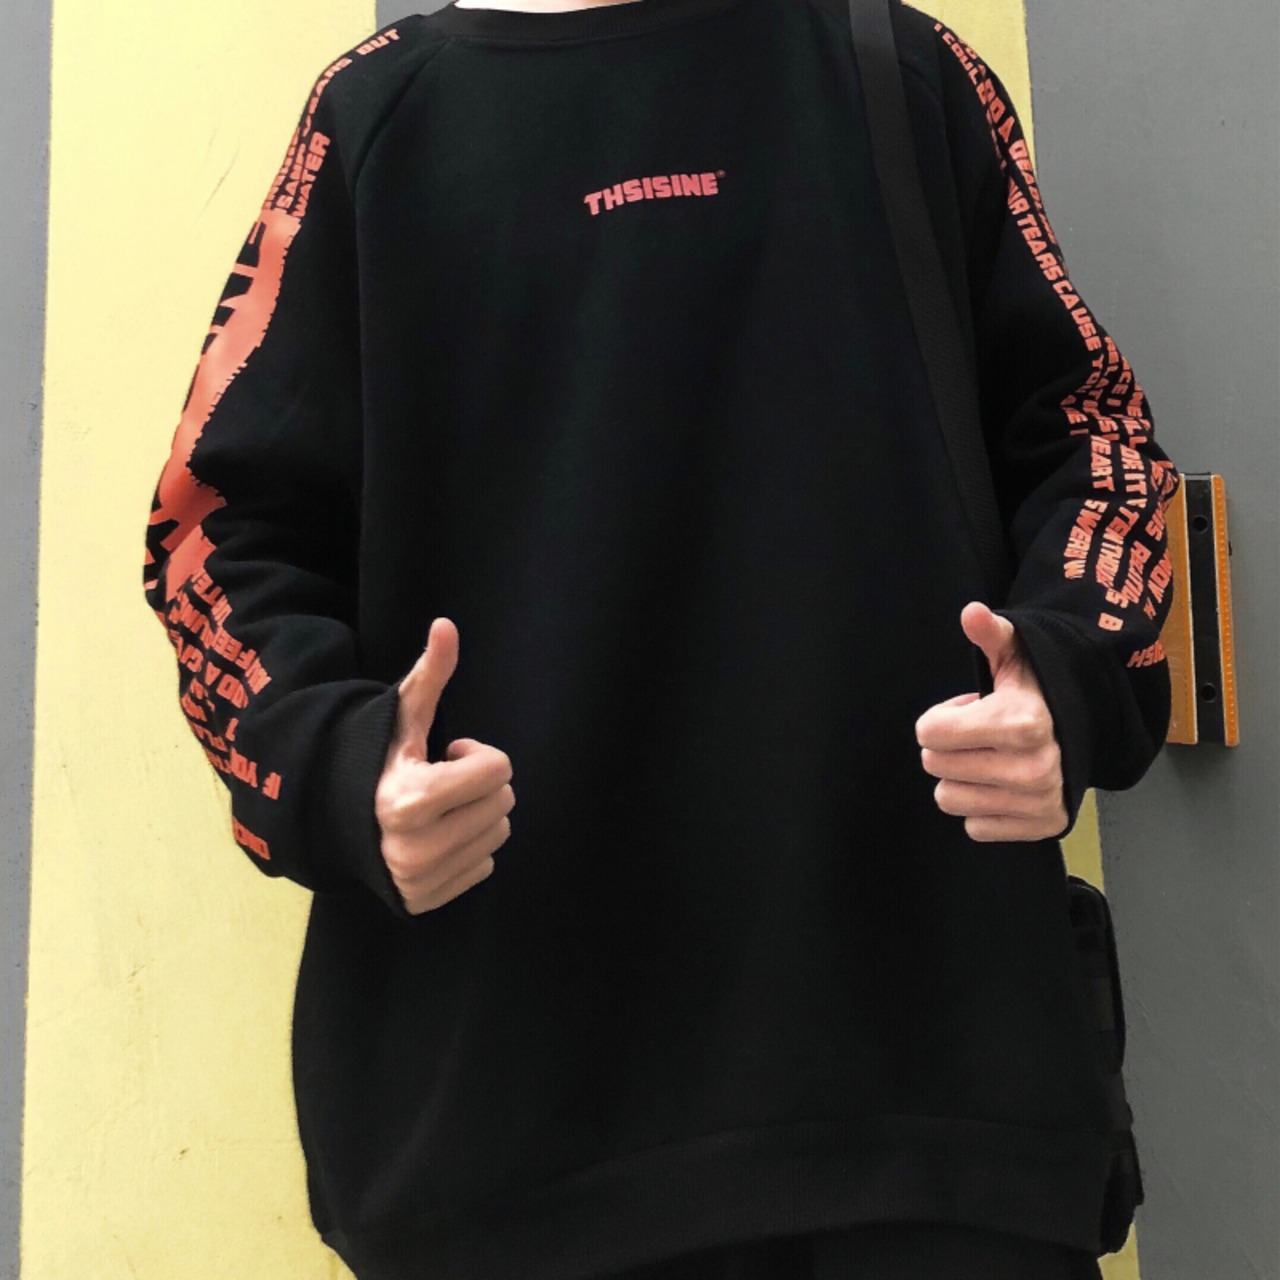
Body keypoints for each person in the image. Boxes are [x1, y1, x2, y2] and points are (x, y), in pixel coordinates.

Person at [140, 0, 1180, 1276]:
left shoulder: (897, 69)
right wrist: (339, 768)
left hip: (931, 1096)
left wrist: (1068, 671)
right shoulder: (379, 116)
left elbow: (1093, 436)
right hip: (507, 1127)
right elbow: (216, 527)